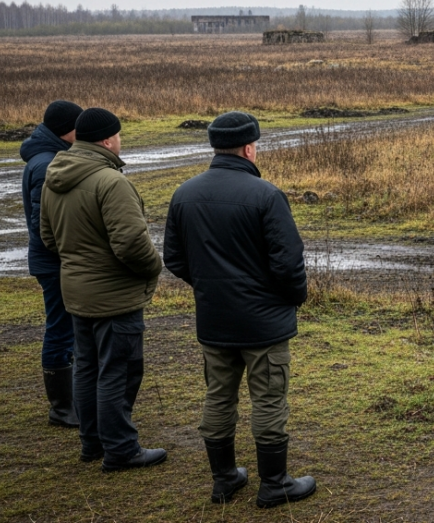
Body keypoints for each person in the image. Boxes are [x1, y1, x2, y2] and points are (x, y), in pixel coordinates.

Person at [163, 111, 316, 507]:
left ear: (215, 146)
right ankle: (275, 484)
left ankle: (225, 479)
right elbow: (288, 262)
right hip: (263, 321)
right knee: (267, 399)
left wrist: (211, 288)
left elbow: (175, 259)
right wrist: (293, 298)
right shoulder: (266, 194)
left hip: (214, 317)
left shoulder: (184, 193)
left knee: (218, 395)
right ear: (250, 147)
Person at [39, 107, 166, 472]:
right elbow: (130, 244)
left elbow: (49, 238)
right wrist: (154, 267)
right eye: (119, 135)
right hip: (114, 295)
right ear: (109, 139)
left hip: (76, 292)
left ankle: (91, 443)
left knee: (87, 367)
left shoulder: (54, 176)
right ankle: (121, 449)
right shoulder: (111, 182)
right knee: (119, 371)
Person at [20, 100, 82, 428]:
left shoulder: (49, 157)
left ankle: (69, 402)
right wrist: (69, 253)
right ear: (66, 130)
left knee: (65, 327)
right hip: (53, 261)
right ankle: (62, 407)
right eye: (78, 126)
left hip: (54, 259)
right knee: (60, 329)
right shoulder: (47, 164)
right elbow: (43, 225)